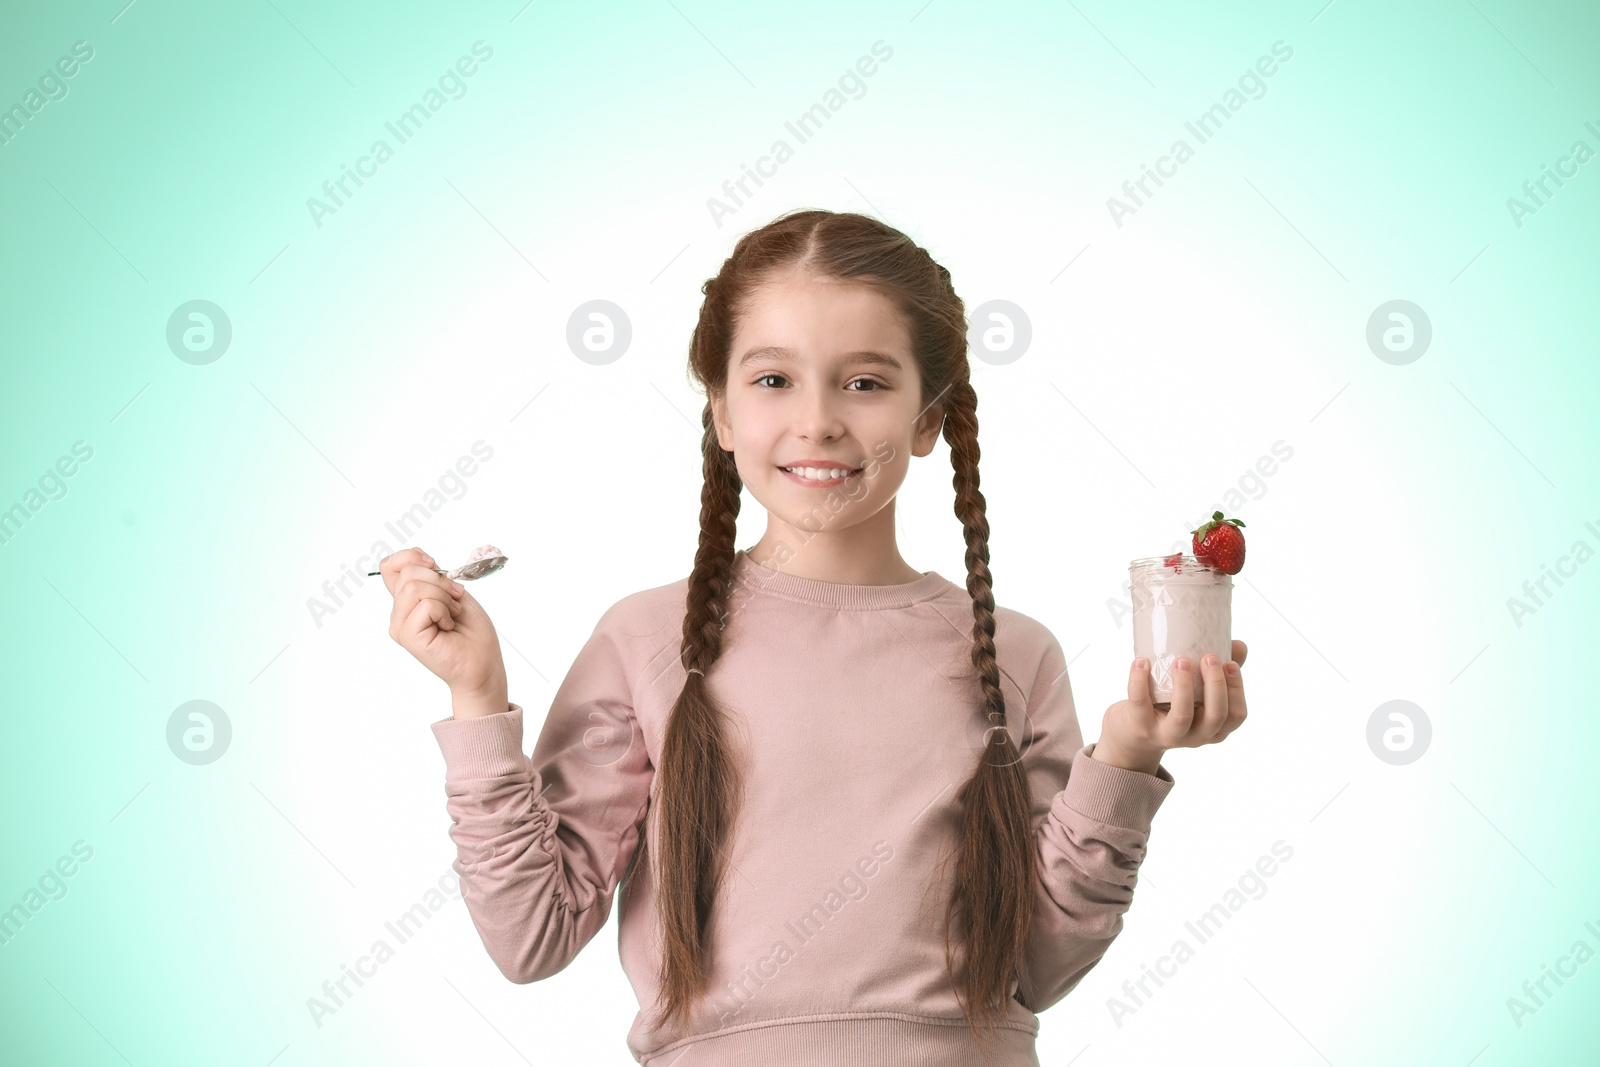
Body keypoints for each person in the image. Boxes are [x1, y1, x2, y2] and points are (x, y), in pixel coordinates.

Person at [378, 209, 1250, 1066]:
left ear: (927, 417)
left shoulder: (1016, 655)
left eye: (865, 382)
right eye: (772, 380)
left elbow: (1040, 962)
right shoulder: (644, 639)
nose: (820, 420)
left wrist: (1128, 757)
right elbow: (532, 936)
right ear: (719, 412)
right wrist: (478, 697)